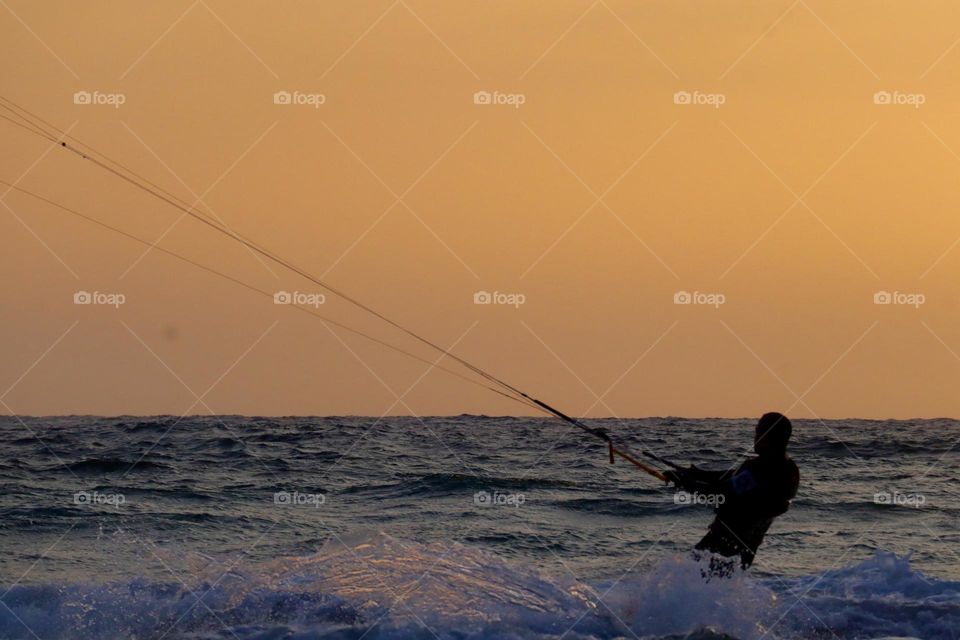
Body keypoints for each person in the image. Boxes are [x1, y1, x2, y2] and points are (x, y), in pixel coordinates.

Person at [665, 412, 799, 577]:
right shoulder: (789, 470)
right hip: (744, 553)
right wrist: (697, 474)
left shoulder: (760, 470)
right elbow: (732, 477)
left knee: (682, 579)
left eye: (758, 432)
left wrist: (684, 483)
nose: (755, 437)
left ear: (768, 435)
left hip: (721, 546)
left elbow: (720, 492)